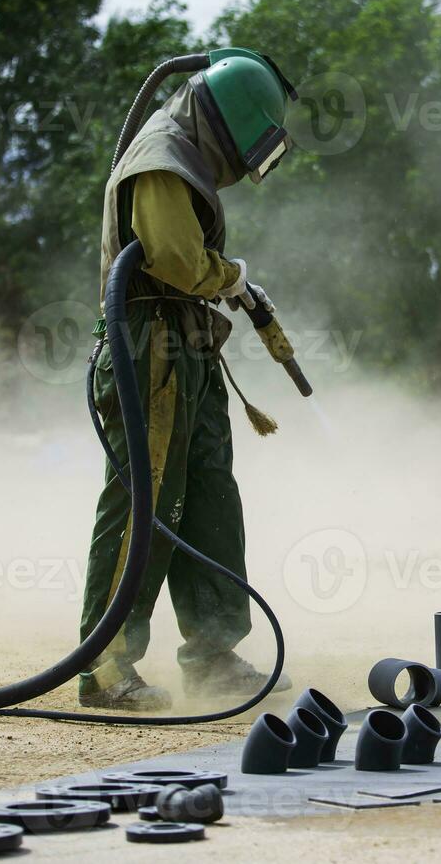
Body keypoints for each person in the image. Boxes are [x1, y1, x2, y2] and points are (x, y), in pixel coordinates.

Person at [78, 50, 296, 711]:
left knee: (207, 499)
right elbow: (175, 259)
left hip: (188, 347)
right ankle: (105, 664)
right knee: (149, 499)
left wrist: (225, 281)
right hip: (149, 349)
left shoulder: (186, 156)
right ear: (224, 127)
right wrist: (230, 276)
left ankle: (213, 654)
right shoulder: (161, 158)